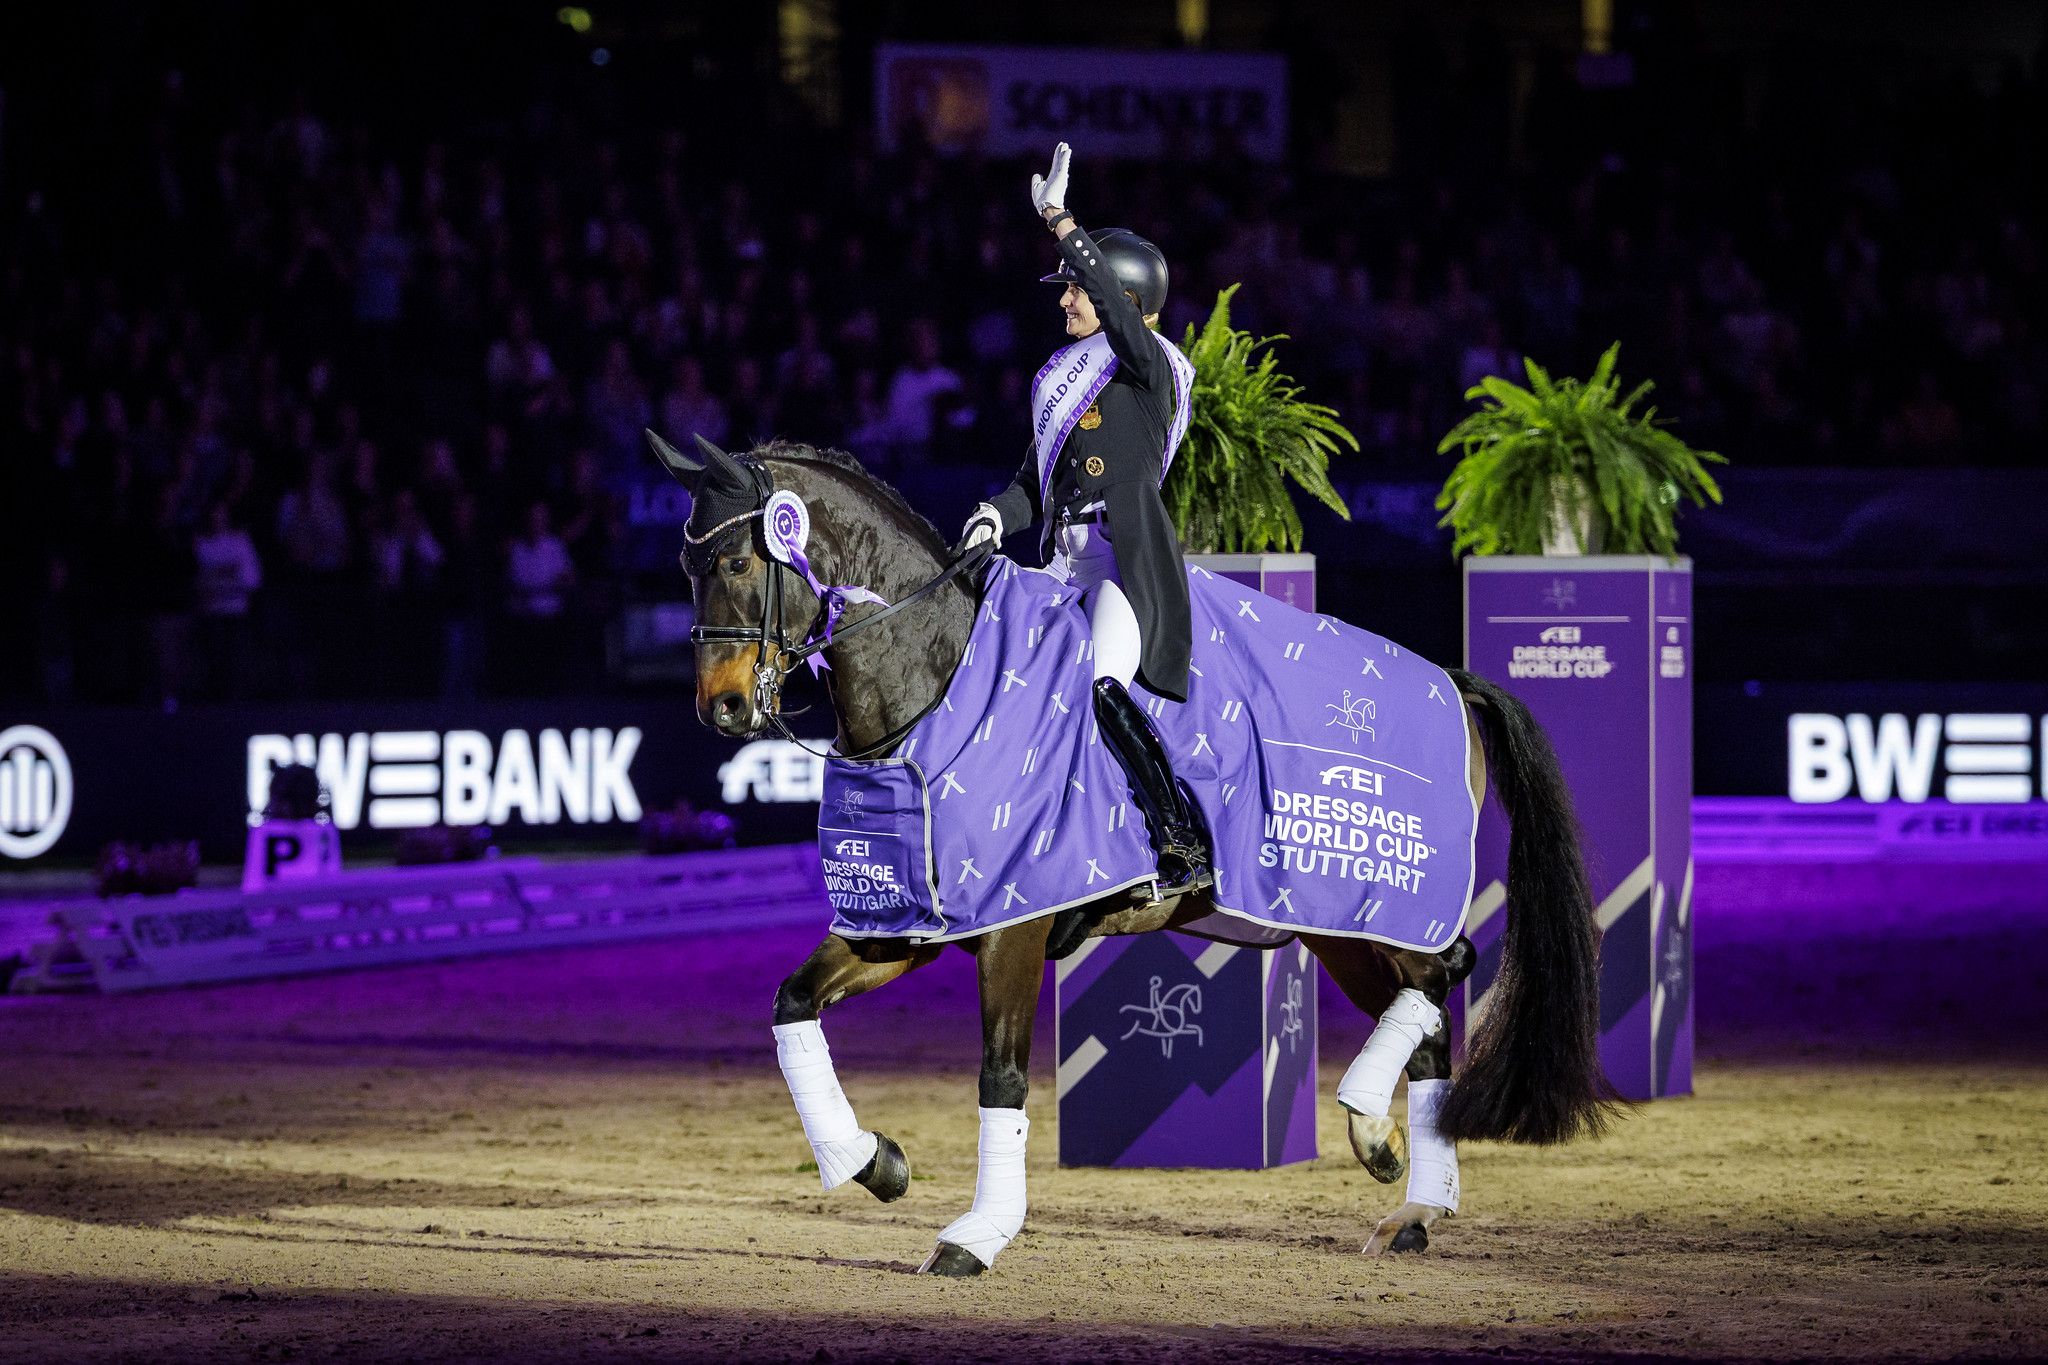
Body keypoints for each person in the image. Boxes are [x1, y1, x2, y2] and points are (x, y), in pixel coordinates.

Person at [955, 142, 1206, 893]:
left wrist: (1061, 222)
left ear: (1120, 299)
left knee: (1102, 685)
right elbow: (1031, 485)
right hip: (1059, 564)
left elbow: (1121, 323)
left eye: (1075, 288)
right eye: (1066, 288)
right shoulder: (1066, 378)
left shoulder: (1148, 366)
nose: (1064, 300)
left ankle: (1179, 840)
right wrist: (993, 516)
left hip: (1116, 565)